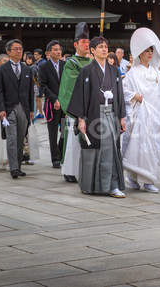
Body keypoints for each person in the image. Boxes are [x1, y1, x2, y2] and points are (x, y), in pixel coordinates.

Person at [122, 28, 160, 193]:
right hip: (140, 114)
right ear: (140, 53)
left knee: (151, 147)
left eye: (151, 50)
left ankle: (148, 180)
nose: (149, 53)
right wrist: (135, 95)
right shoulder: (133, 73)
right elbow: (125, 91)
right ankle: (133, 178)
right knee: (138, 147)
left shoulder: (156, 72)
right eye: (146, 50)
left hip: (155, 114)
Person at [67, 36, 127, 198]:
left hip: (111, 113)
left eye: (106, 46)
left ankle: (112, 185)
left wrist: (122, 117)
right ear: (92, 51)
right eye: (100, 47)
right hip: (94, 114)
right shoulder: (86, 71)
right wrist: (81, 119)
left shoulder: (114, 70)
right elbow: (80, 95)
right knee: (95, 150)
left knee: (111, 149)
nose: (104, 49)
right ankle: (92, 185)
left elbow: (120, 95)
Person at [0, 39, 35, 179]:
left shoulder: (27, 69)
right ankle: (13, 168)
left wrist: (31, 110)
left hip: (23, 108)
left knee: (20, 138)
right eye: (16, 49)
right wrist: (1, 109)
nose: (19, 51)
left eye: (20, 49)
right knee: (11, 138)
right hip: (9, 108)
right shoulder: (1, 70)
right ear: (9, 52)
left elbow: (30, 91)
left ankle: (18, 165)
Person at [59, 22, 93, 183]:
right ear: (76, 44)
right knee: (74, 142)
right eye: (83, 42)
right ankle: (71, 171)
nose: (87, 45)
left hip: (92, 108)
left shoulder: (93, 62)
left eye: (88, 42)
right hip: (77, 107)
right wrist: (79, 109)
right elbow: (69, 88)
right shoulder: (71, 63)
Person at [39, 40, 65, 169]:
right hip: (51, 104)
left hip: (65, 105)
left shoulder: (65, 65)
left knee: (65, 130)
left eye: (59, 49)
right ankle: (55, 158)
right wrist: (55, 99)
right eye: (55, 49)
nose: (58, 51)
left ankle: (61, 153)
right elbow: (43, 86)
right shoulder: (44, 67)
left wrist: (63, 100)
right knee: (53, 132)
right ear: (49, 53)